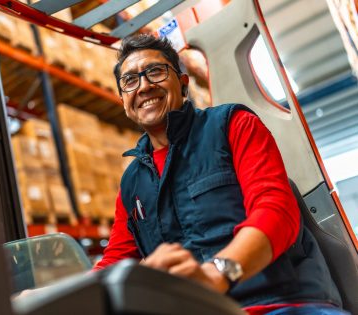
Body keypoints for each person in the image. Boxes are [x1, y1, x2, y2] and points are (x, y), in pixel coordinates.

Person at [93, 34, 349, 315]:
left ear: (183, 84)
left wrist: (218, 273)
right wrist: (51, 295)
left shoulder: (232, 125)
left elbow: (275, 210)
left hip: (281, 301)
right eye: (130, 80)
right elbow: (115, 261)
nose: (143, 86)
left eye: (155, 71)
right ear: (123, 100)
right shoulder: (132, 182)